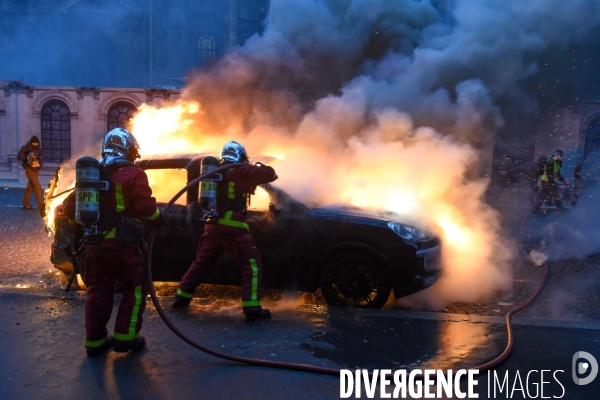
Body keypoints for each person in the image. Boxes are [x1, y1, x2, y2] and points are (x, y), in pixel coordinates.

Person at [64, 128, 162, 357]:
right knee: (134, 290)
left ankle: (95, 342)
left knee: (98, 292)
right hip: (123, 246)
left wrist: (79, 228)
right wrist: (158, 219)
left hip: (94, 246)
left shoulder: (91, 174)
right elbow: (146, 207)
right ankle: (125, 339)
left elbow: (70, 209)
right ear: (128, 149)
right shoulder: (133, 173)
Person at [172, 141, 277, 321]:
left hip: (212, 227)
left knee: (201, 264)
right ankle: (252, 308)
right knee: (251, 266)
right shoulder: (241, 170)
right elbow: (270, 174)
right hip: (234, 228)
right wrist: (258, 165)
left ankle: (181, 298)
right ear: (240, 157)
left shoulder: (215, 171)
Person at [532, 149, 569, 215]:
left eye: (559, 154)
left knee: (541, 196)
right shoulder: (550, 161)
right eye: (557, 154)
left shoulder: (557, 162)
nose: (558, 156)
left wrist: (563, 180)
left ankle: (534, 210)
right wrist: (552, 183)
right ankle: (561, 209)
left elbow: (556, 173)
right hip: (547, 181)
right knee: (555, 195)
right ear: (554, 154)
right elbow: (549, 174)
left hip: (547, 181)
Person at [17, 135, 44, 210]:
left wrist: (39, 164)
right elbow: (19, 156)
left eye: (36, 143)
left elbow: (42, 160)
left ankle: (26, 205)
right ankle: (40, 205)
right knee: (38, 187)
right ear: (31, 143)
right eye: (34, 143)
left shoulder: (40, 150)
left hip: (36, 171)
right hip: (29, 170)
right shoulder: (25, 147)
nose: (35, 145)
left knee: (30, 188)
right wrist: (28, 157)